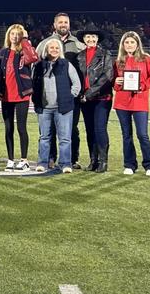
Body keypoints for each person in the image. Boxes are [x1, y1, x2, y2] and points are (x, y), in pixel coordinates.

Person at [36, 12, 86, 168]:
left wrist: (71, 95)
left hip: (70, 98)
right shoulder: (43, 44)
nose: (63, 25)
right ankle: (50, 158)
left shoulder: (79, 44)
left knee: (71, 130)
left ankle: (72, 159)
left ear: (69, 24)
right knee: (47, 132)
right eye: (60, 22)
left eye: (66, 22)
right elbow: (36, 71)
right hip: (47, 100)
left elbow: (84, 71)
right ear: (55, 24)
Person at [0, 24, 39, 172]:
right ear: (8, 35)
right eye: (13, 34)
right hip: (6, 96)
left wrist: (25, 39)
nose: (15, 36)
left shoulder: (24, 52)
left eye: (18, 34)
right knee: (8, 128)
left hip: (21, 94)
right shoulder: (3, 52)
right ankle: (11, 159)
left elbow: (33, 57)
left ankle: (24, 160)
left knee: (21, 128)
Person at [113, 31, 150, 176]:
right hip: (122, 103)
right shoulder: (118, 61)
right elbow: (114, 83)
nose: (129, 45)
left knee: (142, 134)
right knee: (126, 135)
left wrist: (143, 86)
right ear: (123, 44)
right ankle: (129, 164)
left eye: (132, 42)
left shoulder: (146, 59)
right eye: (126, 42)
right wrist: (116, 83)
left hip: (140, 102)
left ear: (137, 44)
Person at [32, 38, 81, 173]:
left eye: (57, 48)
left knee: (64, 138)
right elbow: (33, 83)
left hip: (63, 108)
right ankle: (43, 162)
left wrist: (69, 97)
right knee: (44, 137)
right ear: (46, 50)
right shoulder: (39, 66)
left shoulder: (66, 64)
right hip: (44, 108)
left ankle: (65, 163)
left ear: (60, 51)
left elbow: (77, 84)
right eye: (51, 48)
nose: (54, 50)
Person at [76, 27, 113, 172]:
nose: (90, 40)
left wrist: (89, 93)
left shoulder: (106, 55)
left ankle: (103, 161)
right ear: (84, 40)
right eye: (87, 37)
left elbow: (107, 77)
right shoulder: (79, 56)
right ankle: (93, 160)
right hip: (85, 99)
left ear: (97, 39)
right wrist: (81, 94)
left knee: (100, 129)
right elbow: (78, 78)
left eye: (93, 37)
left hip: (102, 98)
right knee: (90, 130)